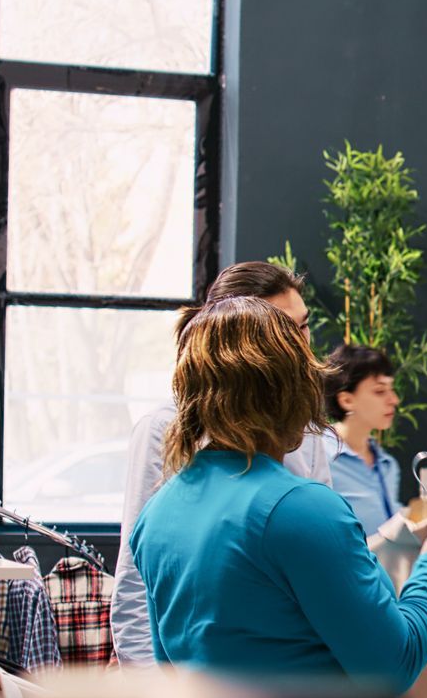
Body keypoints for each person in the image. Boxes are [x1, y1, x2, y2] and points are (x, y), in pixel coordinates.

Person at [129, 296, 427, 692]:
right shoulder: (300, 508)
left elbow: (169, 665)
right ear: (286, 391)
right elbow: (392, 667)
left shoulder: (158, 513)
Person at [110, 261, 334, 667]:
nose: (303, 346)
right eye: (284, 332)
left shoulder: (308, 433)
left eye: (304, 327)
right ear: (236, 340)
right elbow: (135, 587)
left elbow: (322, 560)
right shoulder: (166, 428)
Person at [324, 344, 402, 536]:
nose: (394, 400)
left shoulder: (388, 465)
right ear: (346, 400)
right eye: (380, 391)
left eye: (391, 389)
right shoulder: (318, 459)